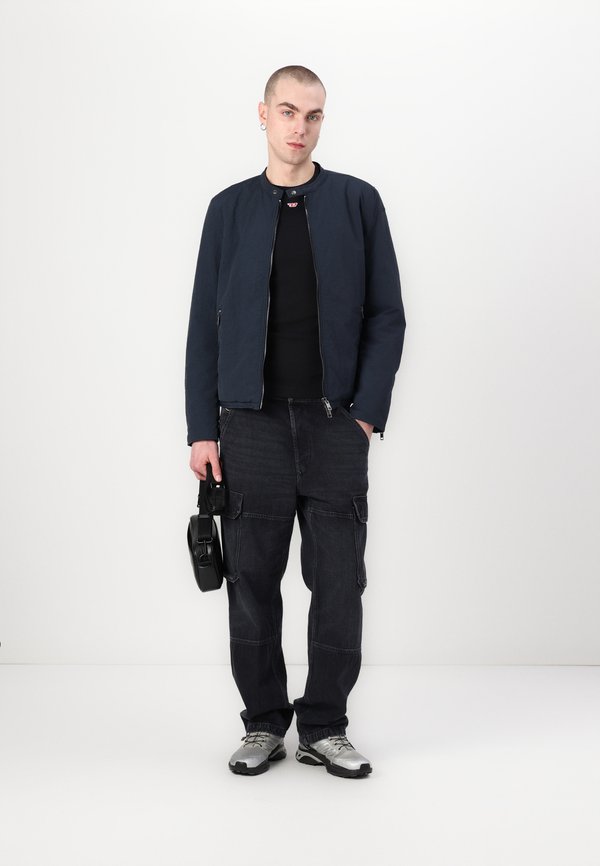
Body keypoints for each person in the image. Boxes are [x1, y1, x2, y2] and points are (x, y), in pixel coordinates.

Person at [185, 65, 406, 778]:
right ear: (263, 114)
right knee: (252, 583)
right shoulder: (228, 210)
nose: (299, 127)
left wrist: (366, 413)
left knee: (339, 582)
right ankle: (262, 725)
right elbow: (204, 326)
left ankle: (325, 727)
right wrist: (202, 429)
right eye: (287, 111)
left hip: (335, 425)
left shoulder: (357, 201)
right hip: (248, 427)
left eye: (312, 115)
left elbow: (387, 314)